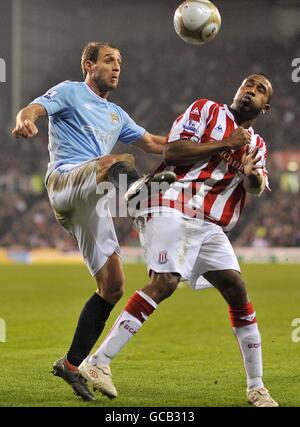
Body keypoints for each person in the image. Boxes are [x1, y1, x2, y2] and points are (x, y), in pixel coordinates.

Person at [77, 74, 279, 407]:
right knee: (166, 281)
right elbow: (172, 152)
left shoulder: (257, 146)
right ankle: (97, 362)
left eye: (259, 91)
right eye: (247, 85)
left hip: (210, 223)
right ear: (236, 89)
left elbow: (256, 187)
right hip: (168, 200)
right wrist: (225, 144)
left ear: (265, 107)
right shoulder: (206, 111)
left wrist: (251, 174)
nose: (250, 92)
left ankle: (256, 387)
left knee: (236, 287)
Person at [12, 41, 175, 401]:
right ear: (89, 64)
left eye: (120, 62)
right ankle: (139, 196)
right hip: (66, 180)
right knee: (114, 162)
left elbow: (152, 142)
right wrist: (25, 119)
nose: (116, 67)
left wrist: (199, 145)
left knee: (114, 285)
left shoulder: (117, 114)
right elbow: (34, 108)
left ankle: (71, 365)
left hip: (93, 200)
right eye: (109, 60)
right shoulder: (70, 92)